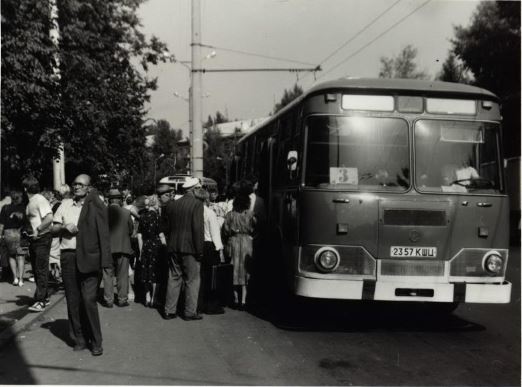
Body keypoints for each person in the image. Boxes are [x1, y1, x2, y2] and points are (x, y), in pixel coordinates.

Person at [52, 174, 111, 356]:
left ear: (88, 188)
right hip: (69, 257)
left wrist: (105, 262)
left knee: (88, 300)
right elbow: (52, 229)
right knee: (73, 300)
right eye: (74, 184)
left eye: (81, 184)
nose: (76, 187)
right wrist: (64, 228)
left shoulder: (95, 205)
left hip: (90, 258)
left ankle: (96, 341)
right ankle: (79, 338)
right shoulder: (65, 205)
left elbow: (104, 232)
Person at [163, 177, 204, 320]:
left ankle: (169, 310)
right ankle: (189, 312)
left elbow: (167, 228)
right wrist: (199, 250)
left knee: (174, 277)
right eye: (198, 188)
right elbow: (197, 228)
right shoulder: (197, 204)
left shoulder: (172, 205)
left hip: (174, 246)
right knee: (192, 279)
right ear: (193, 189)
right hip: (190, 247)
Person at [23, 176, 53, 313]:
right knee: (36, 269)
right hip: (34, 240)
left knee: (40, 269)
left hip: (42, 238)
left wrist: (38, 230)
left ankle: (40, 301)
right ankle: (44, 297)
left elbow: (49, 218)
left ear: (25, 188)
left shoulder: (40, 200)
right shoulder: (31, 201)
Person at [194, 188, 225, 315]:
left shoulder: (194, 212)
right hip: (209, 246)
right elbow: (215, 233)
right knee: (210, 277)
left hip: (197, 244)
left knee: (199, 276)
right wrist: (219, 249)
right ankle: (210, 305)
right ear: (206, 199)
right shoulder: (209, 213)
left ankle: (198, 304)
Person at [222, 191, 255, 310]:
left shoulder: (230, 215)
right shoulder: (250, 214)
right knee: (245, 271)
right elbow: (255, 228)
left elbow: (225, 230)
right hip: (247, 242)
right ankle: (244, 301)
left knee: (234, 270)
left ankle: (235, 300)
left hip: (234, 242)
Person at [101, 189, 134, 308]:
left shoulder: (103, 213)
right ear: (120, 200)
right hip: (123, 247)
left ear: (109, 200)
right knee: (122, 274)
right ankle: (122, 299)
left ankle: (109, 300)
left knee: (107, 274)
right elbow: (131, 230)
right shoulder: (126, 212)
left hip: (107, 248)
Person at [137, 195, 166, 307]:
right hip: (156, 246)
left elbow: (139, 236)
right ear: (156, 204)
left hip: (145, 246)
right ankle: (154, 298)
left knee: (146, 272)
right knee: (155, 272)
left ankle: (147, 296)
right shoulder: (158, 217)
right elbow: (161, 234)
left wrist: (140, 251)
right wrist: (165, 247)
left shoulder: (142, 217)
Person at [0, 190, 27, 286]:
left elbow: (1, 224)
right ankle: (21, 279)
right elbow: (25, 222)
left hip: (8, 233)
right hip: (19, 233)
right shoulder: (23, 208)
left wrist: (0, 235)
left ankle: (14, 278)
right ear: (19, 198)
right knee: (20, 256)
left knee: (11, 256)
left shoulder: (5, 208)